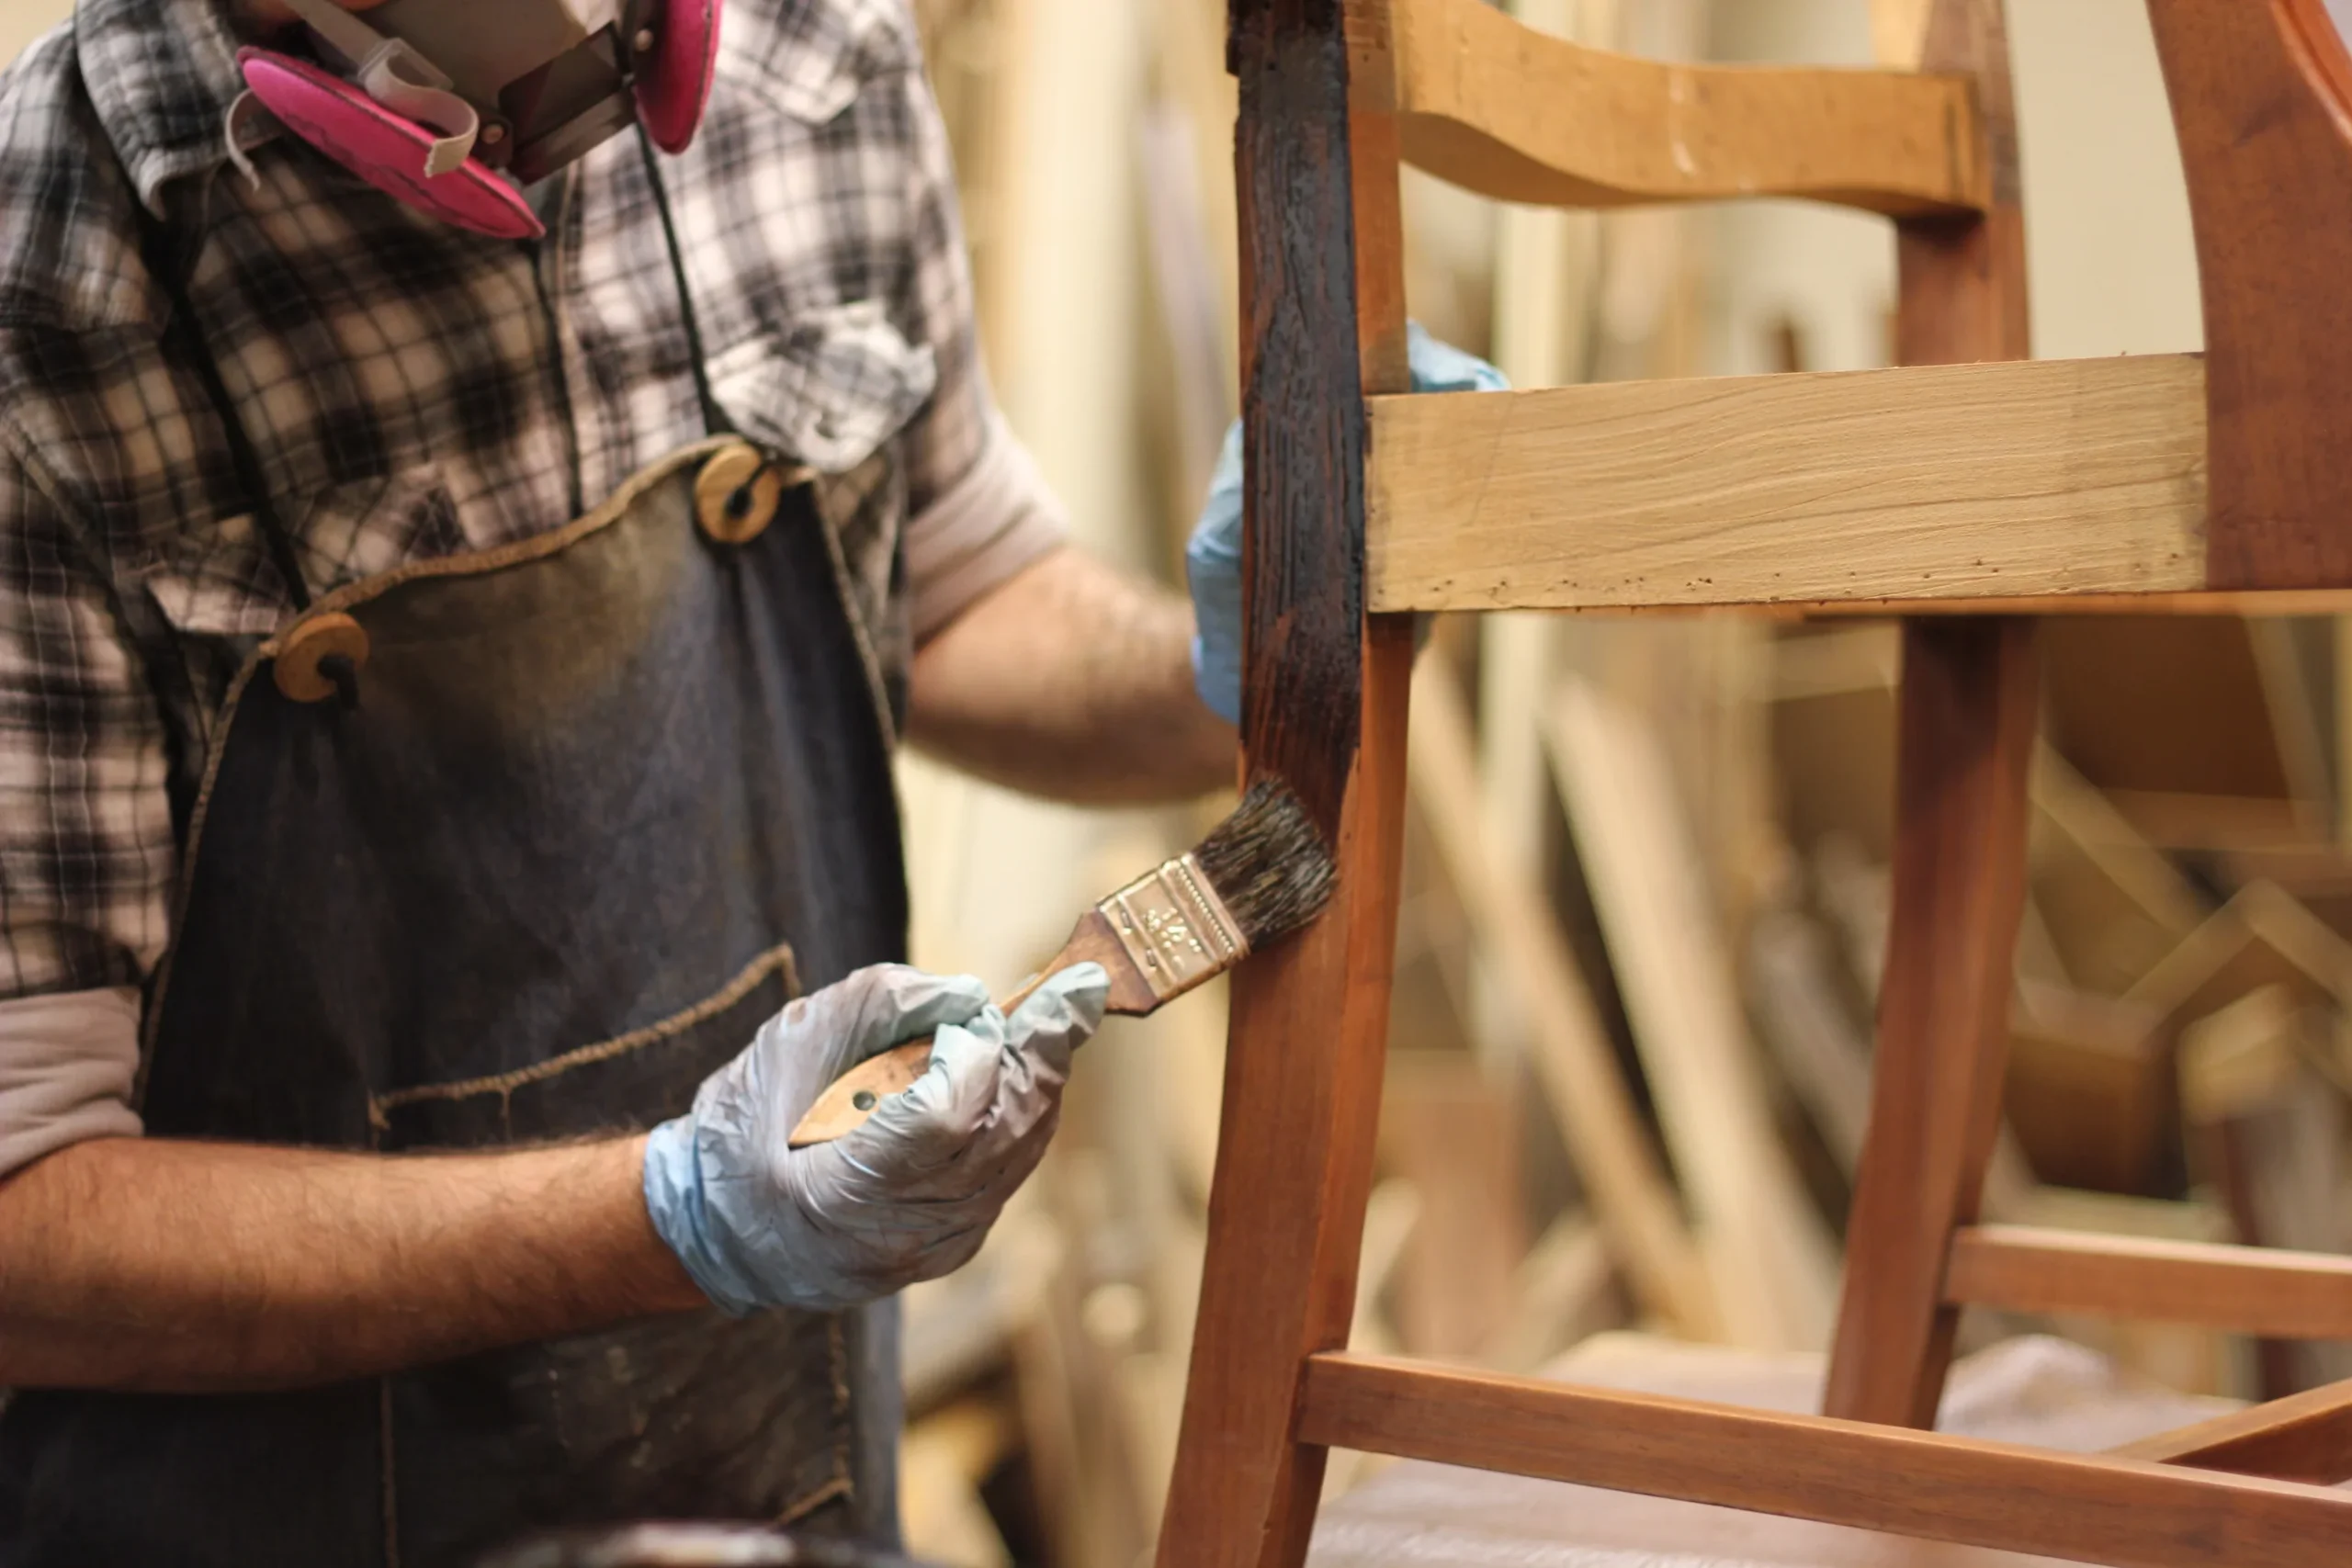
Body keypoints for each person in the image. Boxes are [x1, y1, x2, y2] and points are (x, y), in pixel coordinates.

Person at [0, 0, 1502, 1562]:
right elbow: (22, 1217)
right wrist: (676, 1216)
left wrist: (1242, 658)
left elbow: (942, 590)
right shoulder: (50, 286)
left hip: (774, 1481)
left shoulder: (820, 52)